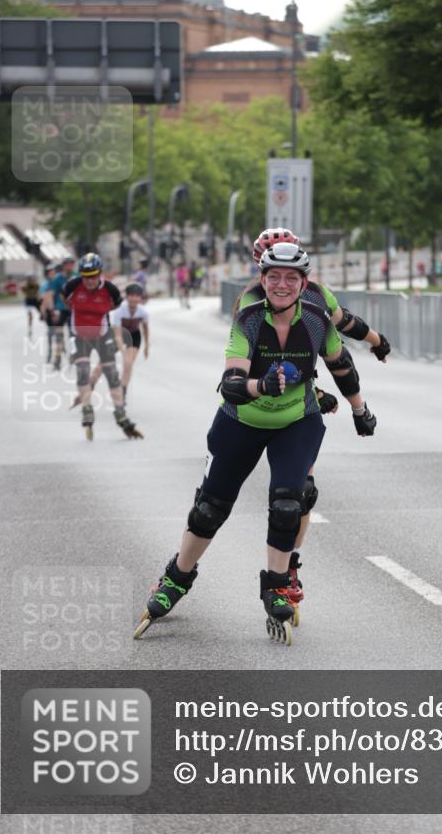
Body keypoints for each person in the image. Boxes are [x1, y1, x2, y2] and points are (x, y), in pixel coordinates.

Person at [134, 242, 377, 646]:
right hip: (240, 421)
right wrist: (259, 385)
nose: (282, 285)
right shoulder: (248, 318)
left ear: (304, 282)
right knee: (209, 510)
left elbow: (340, 365)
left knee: (289, 502)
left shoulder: (317, 319)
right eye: (274, 277)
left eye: (291, 278)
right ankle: (176, 578)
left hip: (297, 421)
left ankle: (277, 584)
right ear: (262, 280)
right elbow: (231, 384)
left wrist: (359, 409)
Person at [240, 228, 391, 600]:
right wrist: (321, 392)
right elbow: (250, 364)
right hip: (259, 402)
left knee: (300, 495)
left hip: (298, 404)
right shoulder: (249, 300)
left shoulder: (316, 292)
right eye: (272, 268)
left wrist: (377, 341)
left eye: (291, 270)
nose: (282, 279)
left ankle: (289, 565)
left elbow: (344, 327)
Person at [63, 253, 143, 440]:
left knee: (111, 374)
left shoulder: (110, 289)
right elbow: (66, 300)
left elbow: (115, 304)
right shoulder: (73, 286)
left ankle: (120, 413)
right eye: (85, 275)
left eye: (93, 275)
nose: (89, 280)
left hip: (101, 334)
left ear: (100, 273)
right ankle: (87, 408)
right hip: (79, 334)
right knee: (83, 370)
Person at [110, 283, 150, 403]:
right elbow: (117, 336)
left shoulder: (143, 312)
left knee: (128, 365)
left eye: (137, 296)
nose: (134, 298)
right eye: (131, 295)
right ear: (126, 297)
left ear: (141, 298)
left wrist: (147, 346)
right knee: (102, 365)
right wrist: (122, 351)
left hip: (134, 336)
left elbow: (146, 328)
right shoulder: (119, 312)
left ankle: (123, 390)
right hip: (119, 334)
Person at [38, 263, 57, 364]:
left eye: (54, 273)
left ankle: (62, 353)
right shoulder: (44, 285)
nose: (52, 275)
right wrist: (44, 312)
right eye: (51, 273)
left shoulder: (57, 283)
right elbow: (43, 299)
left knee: (59, 333)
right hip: (49, 310)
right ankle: (50, 353)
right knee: (50, 333)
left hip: (58, 310)